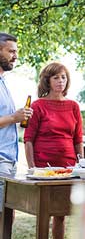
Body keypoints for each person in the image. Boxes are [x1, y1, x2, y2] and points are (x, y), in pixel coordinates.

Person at [23, 62, 84, 239]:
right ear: (47, 81)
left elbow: (78, 140)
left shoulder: (73, 106)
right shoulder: (37, 106)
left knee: (61, 213)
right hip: (43, 168)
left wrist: (81, 165)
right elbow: (28, 140)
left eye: (63, 77)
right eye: (55, 77)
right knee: (44, 212)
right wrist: (32, 168)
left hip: (68, 167)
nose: (60, 81)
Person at [0, 33, 33, 216]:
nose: (16, 56)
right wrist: (13, 117)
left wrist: (20, 117)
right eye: (11, 51)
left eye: (16, 52)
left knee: (7, 216)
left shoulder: (3, 82)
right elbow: (9, 118)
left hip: (10, 160)